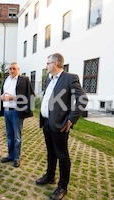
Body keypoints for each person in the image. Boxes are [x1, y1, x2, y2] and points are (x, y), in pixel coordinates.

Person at [36, 53, 88, 200]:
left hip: (60, 124)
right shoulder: (49, 79)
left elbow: (82, 99)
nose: (46, 66)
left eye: (48, 63)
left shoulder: (70, 78)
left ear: (56, 63)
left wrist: (71, 120)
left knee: (62, 155)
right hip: (46, 122)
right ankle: (50, 176)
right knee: (50, 152)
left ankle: (62, 187)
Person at [0, 62, 34, 168]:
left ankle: (17, 158)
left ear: (18, 69)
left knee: (17, 136)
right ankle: (10, 155)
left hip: (16, 111)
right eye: (10, 69)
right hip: (7, 110)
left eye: (14, 68)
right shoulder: (6, 80)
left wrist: (13, 98)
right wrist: (2, 97)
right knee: (9, 136)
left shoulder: (24, 80)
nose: (12, 70)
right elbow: (3, 93)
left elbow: (29, 96)